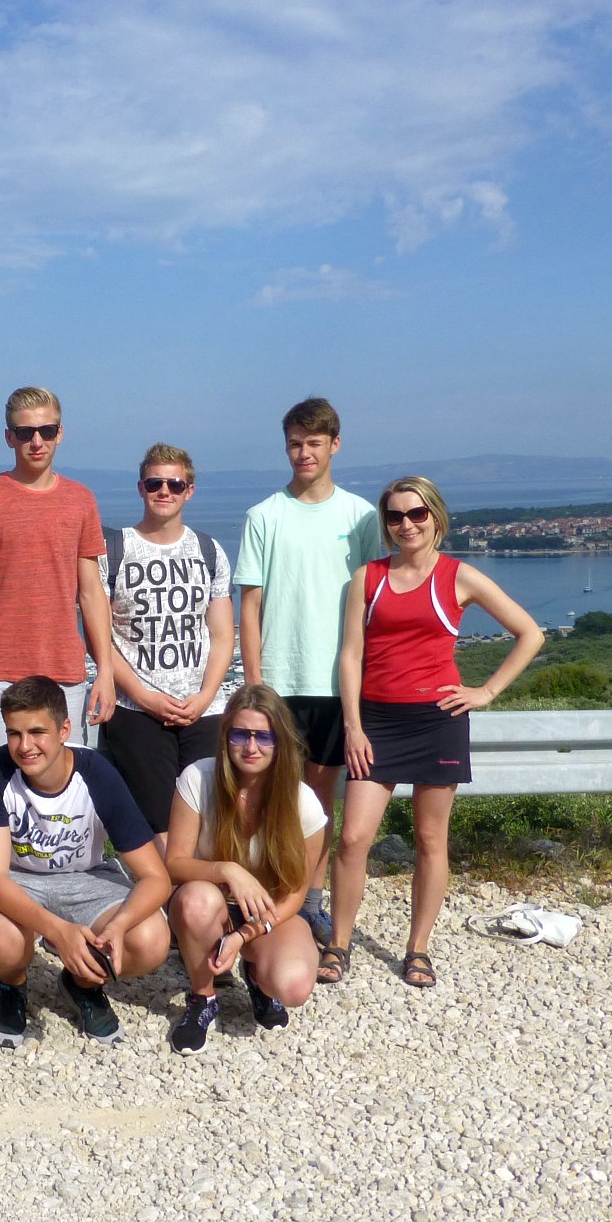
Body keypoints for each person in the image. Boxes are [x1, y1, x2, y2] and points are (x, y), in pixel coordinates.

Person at [328, 476, 544, 989]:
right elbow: (351, 655)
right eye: (395, 516)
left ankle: (418, 949)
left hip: (437, 720)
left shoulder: (458, 576)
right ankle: (338, 943)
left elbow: (530, 633)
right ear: (386, 524)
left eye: (416, 514)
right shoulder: (368, 578)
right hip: (377, 721)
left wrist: (486, 691)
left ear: (435, 517)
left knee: (429, 839)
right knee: (353, 838)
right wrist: (353, 726)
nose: (406, 524)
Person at [234, 397, 382, 947]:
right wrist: (255, 682)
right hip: (279, 682)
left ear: (334, 445)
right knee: (265, 795)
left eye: (314, 443)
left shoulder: (361, 517)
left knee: (319, 801)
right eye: (295, 443)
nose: (304, 453)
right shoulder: (264, 515)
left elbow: (372, 601)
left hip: (337, 683)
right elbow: (251, 605)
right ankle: (259, 897)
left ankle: (309, 901)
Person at [0, 676, 171, 1048]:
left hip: (84, 876)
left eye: (37, 732)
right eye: (14, 733)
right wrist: (59, 932)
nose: (24, 746)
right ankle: (11, 985)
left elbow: (156, 878)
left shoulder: (97, 775)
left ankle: (83, 982)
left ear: (64, 730)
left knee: (150, 940)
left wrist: (119, 926)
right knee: (3, 942)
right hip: (17, 877)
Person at [0, 386, 114, 763]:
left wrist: (105, 671)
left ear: (60, 433)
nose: (37, 442)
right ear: (9, 437)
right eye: (25, 432)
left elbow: (91, 591)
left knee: (66, 789)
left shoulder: (81, 500)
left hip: (65, 674)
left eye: (47, 431)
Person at [164, 686, 326, 1053]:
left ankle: (257, 976)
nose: (251, 747)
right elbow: (175, 863)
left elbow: (296, 893)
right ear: (226, 737)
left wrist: (243, 936)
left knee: (295, 986)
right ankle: (202, 997)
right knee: (196, 901)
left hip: (269, 913)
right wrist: (227, 870)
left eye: (263, 736)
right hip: (211, 902)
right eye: (241, 734)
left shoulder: (303, 803)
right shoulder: (198, 778)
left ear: (280, 741)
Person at [97, 443, 234, 849]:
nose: (164, 491)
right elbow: (100, 639)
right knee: (157, 823)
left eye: (174, 484)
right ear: (140, 487)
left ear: (189, 491)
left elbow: (222, 634)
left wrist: (206, 696)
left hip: (203, 710)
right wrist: (144, 696)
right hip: (136, 710)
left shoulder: (209, 551)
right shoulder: (113, 552)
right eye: (155, 483)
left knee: (207, 821)